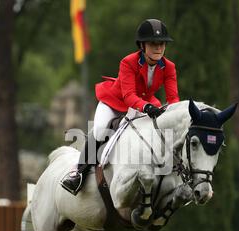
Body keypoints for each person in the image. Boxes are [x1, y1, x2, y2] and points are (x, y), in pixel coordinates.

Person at [61, 18, 180, 195]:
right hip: (115, 102)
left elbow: (173, 99)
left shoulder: (169, 67)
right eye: (153, 43)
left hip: (144, 104)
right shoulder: (129, 62)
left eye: (162, 43)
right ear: (142, 45)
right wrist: (146, 107)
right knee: (101, 130)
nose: (159, 48)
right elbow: (129, 96)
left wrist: (176, 115)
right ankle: (78, 172)